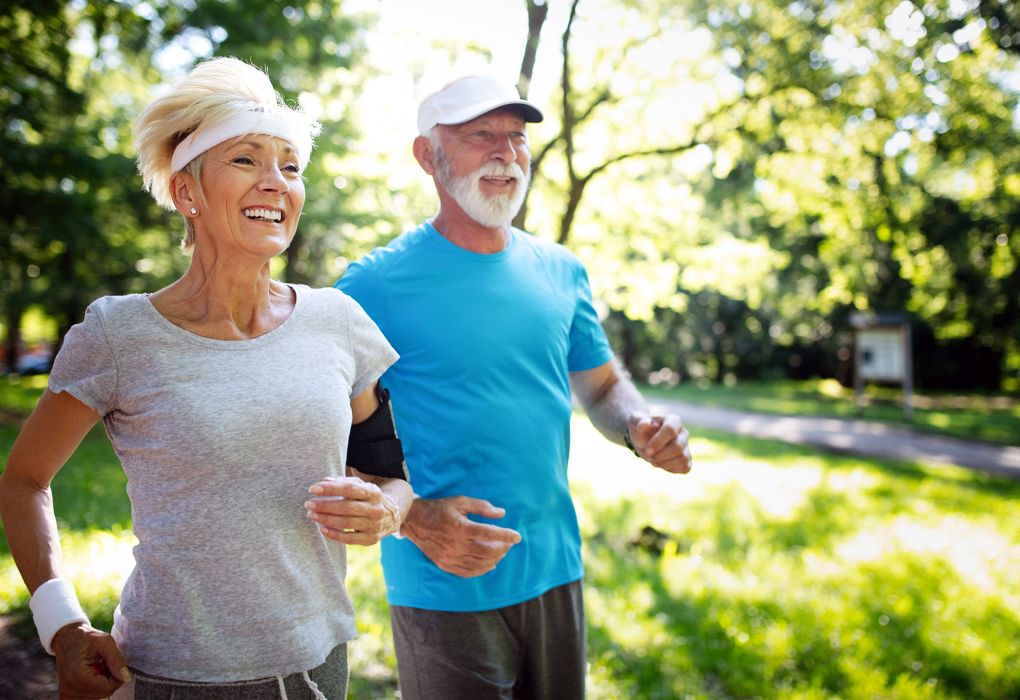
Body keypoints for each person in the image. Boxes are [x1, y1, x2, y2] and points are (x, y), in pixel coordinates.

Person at [0, 57, 414, 700]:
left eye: (291, 165)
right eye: (247, 159)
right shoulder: (119, 335)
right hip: (169, 674)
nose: (276, 182)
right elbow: (24, 480)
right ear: (187, 193)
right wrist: (62, 628)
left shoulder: (338, 321)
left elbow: (392, 473)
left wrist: (387, 510)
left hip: (318, 666)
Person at [320, 71, 694, 699]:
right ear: (426, 155)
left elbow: (602, 389)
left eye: (516, 137)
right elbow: (316, 433)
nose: (505, 152)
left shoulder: (562, 270)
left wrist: (638, 427)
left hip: (556, 571)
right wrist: (411, 520)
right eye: (479, 135)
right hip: (444, 580)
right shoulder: (372, 287)